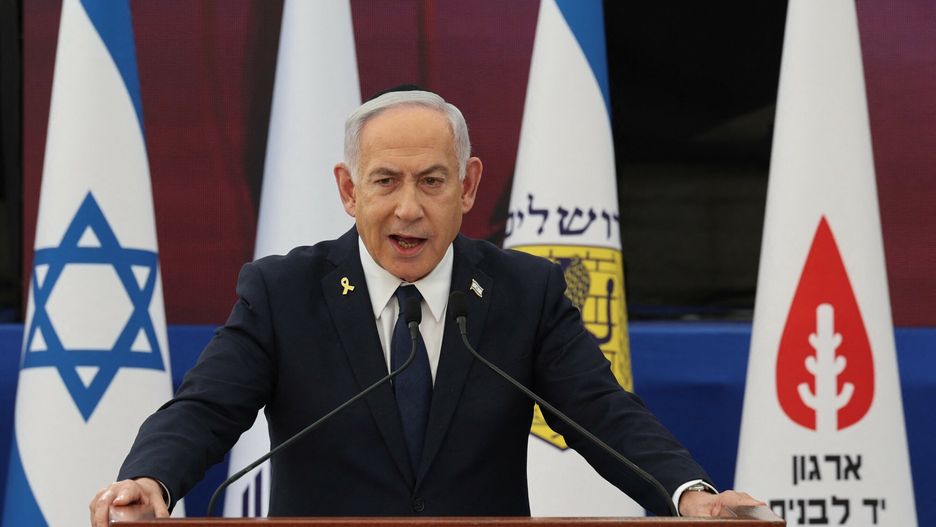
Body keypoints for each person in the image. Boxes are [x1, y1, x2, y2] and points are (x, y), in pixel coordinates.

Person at [90, 89, 762, 526]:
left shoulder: (524, 294)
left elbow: (603, 413)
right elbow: (206, 407)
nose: (409, 207)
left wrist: (687, 494)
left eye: (432, 181)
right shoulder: (282, 292)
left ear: (468, 187)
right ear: (349, 190)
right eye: (385, 181)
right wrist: (150, 478)